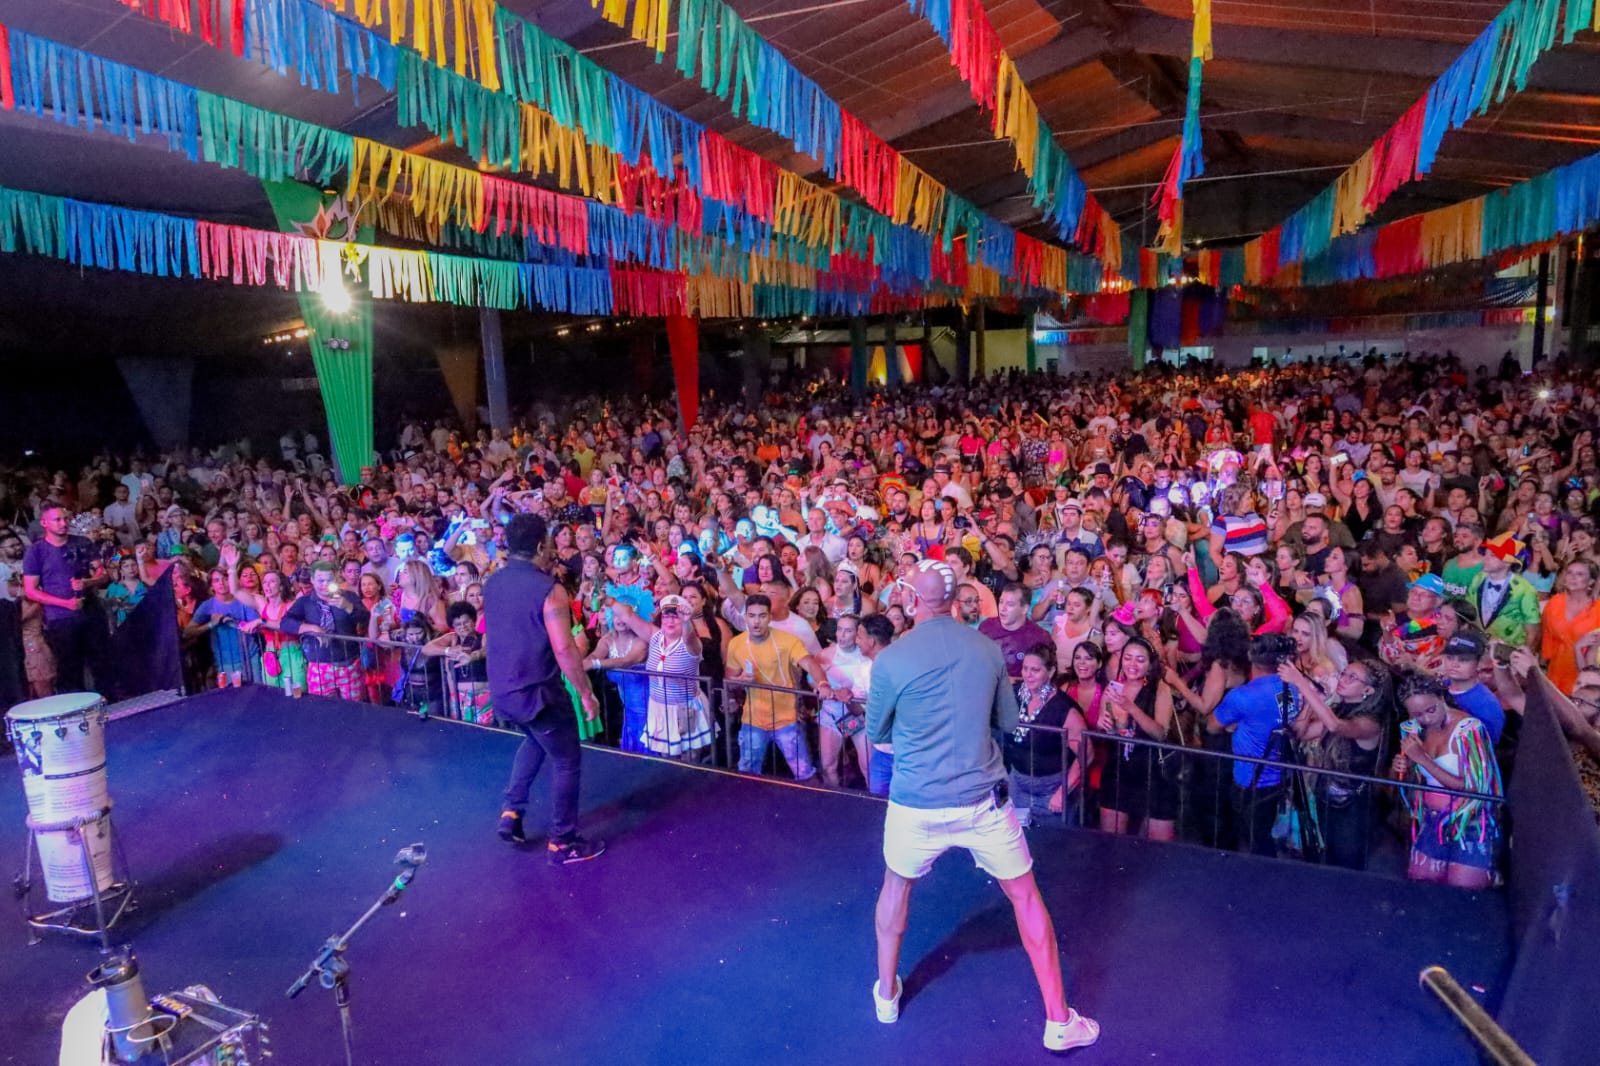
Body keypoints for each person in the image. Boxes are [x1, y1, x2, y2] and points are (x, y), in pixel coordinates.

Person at [865, 560, 1098, 1052]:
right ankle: (1059, 1021)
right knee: (1026, 896)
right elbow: (1008, 719)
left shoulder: (891, 658)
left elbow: (877, 732)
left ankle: (886, 995)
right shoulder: (988, 648)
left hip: (916, 800)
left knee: (895, 886)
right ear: (954, 601)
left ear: (912, 599)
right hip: (982, 801)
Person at [485, 514, 605, 864]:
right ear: (541, 546)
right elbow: (565, 648)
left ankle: (512, 812)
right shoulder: (548, 589)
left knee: (536, 740)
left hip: (503, 690)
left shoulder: (493, 583)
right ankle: (563, 842)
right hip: (539, 693)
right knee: (567, 759)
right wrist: (585, 692)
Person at [1392, 674, 1502, 889]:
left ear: (1442, 697)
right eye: (1416, 714)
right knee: (1422, 889)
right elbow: (1408, 782)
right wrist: (1401, 767)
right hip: (1430, 820)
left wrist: (1421, 758)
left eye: (1430, 710)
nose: (1425, 718)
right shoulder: (1413, 729)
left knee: (1461, 895)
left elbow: (1475, 788)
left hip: (1469, 824)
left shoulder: (1468, 730)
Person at [1280, 658, 1390, 870]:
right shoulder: (1339, 708)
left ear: (1367, 690)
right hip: (1325, 796)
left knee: (1347, 861)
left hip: (1352, 805)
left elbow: (1335, 726)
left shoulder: (1370, 722)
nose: (1344, 679)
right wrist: (1312, 705)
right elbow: (1300, 733)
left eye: (1352, 677)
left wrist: (1302, 684)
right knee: (1329, 856)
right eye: (1345, 673)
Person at [1206, 633, 1301, 857]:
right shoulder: (1294, 687)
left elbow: (1212, 726)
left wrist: (1237, 723)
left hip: (1249, 780)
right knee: (1262, 835)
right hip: (1281, 775)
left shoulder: (1243, 696)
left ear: (1252, 658)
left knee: (1253, 839)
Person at [724, 593, 833, 780]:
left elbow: (809, 663)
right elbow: (729, 681)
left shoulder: (787, 641)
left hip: (786, 719)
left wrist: (823, 683)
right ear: (746, 617)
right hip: (753, 719)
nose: (756, 622)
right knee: (747, 772)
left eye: (762, 616)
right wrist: (740, 681)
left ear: (770, 618)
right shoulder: (736, 644)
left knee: (804, 771)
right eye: (751, 616)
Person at [21, 505, 102, 692]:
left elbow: (102, 572)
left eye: (65, 519)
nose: (63, 523)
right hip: (61, 617)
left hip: (91, 610)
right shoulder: (36, 551)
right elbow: (31, 590)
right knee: (69, 669)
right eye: (57, 520)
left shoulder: (82, 542)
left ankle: (110, 705)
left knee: (101, 660)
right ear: (44, 523)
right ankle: (75, 711)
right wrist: (65, 603)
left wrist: (88, 582)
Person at [1004, 643, 1085, 827]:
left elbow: (1086, 755)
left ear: (1050, 672)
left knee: (1053, 846)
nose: (1028, 675)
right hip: (1018, 785)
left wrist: (1063, 792)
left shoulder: (1064, 708)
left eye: (1035, 670)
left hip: (1051, 790)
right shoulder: (1013, 695)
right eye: (1025, 668)